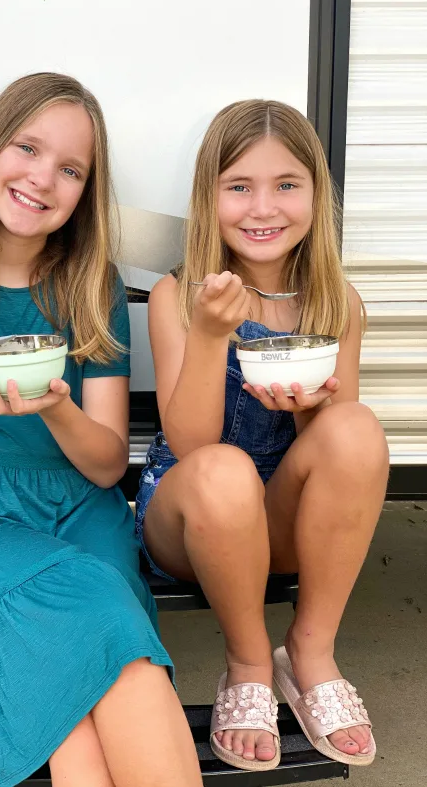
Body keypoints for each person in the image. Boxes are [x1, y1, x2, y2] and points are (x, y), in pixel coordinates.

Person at [0, 73, 203, 787]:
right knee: (101, 645)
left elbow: (109, 465)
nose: (43, 177)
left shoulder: (91, 286)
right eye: (28, 147)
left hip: (77, 508)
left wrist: (55, 405)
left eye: (71, 168)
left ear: (85, 189)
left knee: (88, 685)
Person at [136, 99, 389, 772]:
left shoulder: (338, 300)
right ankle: (247, 661)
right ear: (209, 197)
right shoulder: (181, 294)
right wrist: (213, 332)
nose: (263, 207)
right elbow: (190, 443)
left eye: (286, 185)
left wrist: (310, 409)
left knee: (357, 427)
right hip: (189, 515)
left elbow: (342, 454)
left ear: (315, 195)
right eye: (239, 186)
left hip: (278, 521)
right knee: (224, 470)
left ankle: (309, 651)